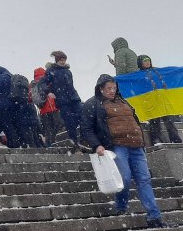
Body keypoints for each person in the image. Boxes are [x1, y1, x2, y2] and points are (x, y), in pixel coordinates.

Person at [81, 74, 169, 228]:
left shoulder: (124, 101)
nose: (112, 91)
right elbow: (86, 128)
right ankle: (121, 206)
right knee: (125, 178)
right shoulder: (92, 104)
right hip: (117, 146)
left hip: (136, 146)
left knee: (144, 179)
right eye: (109, 88)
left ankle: (154, 216)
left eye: (114, 88)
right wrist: (97, 145)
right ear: (101, 89)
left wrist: (142, 141)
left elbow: (135, 121)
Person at [137, 55, 182, 144]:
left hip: (161, 100)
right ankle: (156, 140)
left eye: (148, 60)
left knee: (169, 121)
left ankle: (175, 139)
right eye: (145, 61)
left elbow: (170, 73)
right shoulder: (138, 75)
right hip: (151, 102)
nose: (147, 62)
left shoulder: (157, 71)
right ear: (140, 63)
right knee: (155, 122)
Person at [42, 51, 82, 149]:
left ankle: (78, 139)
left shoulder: (68, 72)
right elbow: (43, 83)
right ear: (57, 60)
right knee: (69, 122)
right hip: (62, 100)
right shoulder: (51, 71)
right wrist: (48, 92)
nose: (63, 62)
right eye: (61, 60)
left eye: (64, 60)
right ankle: (75, 144)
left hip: (74, 98)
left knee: (81, 115)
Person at [0, 66, 23, 148]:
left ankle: (13, 142)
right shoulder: (12, 77)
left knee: (6, 123)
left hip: (4, 104)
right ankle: (20, 142)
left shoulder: (1, 77)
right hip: (14, 104)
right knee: (14, 123)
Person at [33, 66, 63, 147]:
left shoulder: (33, 84)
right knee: (59, 127)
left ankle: (49, 146)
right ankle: (58, 144)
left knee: (48, 130)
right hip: (53, 108)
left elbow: (30, 98)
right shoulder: (46, 80)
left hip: (43, 111)